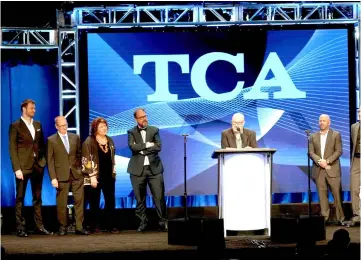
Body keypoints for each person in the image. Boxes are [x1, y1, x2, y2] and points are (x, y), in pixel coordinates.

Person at [8, 99, 51, 237]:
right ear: (24, 109)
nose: (34, 110)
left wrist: (42, 162)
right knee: (20, 197)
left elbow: (42, 145)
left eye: (34, 108)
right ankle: (20, 227)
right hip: (23, 167)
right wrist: (17, 168)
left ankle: (39, 226)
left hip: (37, 166)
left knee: (37, 197)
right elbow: (12, 149)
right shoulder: (15, 126)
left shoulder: (38, 125)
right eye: (32, 108)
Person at [47, 116, 89, 235]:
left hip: (76, 175)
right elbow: (50, 161)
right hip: (61, 175)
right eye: (61, 126)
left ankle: (79, 227)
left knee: (79, 201)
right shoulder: (51, 140)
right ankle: (62, 227)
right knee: (62, 202)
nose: (64, 127)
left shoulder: (75, 137)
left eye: (65, 125)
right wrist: (53, 178)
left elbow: (80, 155)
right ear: (56, 126)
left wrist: (81, 170)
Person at [127, 108, 167, 232]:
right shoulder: (131, 132)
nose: (144, 118)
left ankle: (162, 222)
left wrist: (142, 150)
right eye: (141, 117)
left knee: (159, 197)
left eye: (145, 116)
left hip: (154, 169)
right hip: (137, 170)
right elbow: (132, 147)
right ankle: (142, 222)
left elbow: (158, 147)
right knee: (140, 198)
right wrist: (147, 145)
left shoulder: (154, 130)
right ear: (136, 119)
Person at [82, 117, 119, 233]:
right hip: (95, 177)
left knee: (110, 201)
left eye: (105, 126)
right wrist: (91, 176)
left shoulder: (110, 140)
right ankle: (94, 225)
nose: (104, 128)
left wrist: (114, 173)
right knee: (94, 202)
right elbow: (85, 160)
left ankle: (110, 225)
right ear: (95, 129)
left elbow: (112, 158)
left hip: (109, 176)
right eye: (101, 127)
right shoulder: (89, 141)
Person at [308, 114, 345, 224]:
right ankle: (325, 218)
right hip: (319, 170)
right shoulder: (313, 136)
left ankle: (340, 218)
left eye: (324, 121)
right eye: (320, 121)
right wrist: (320, 161)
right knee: (322, 195)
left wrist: (327, 161)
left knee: (337, 195)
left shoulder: (336, 135)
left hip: (332, 168)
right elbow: (311, 152)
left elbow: (338, 151)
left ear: (329, 122)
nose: (321, 122)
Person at [350, 108, 360, 226]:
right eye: (358, 112)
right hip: (357, 159)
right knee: (354, 188)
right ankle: (357, 215)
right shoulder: (354, 127)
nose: (359, 114)